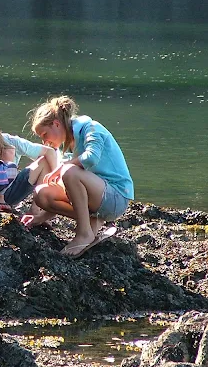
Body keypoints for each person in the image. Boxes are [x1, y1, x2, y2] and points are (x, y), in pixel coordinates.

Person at [23, 96, 134, 258]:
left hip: (116, 197)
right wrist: (40, 217)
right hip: (96, 196)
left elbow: (91, 158)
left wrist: (62, 168)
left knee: (69, 172)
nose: (45, 142)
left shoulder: (91, 128)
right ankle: (91, 223)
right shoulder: (67, 145)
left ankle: (84, 233)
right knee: (42, 193)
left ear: (56, 124)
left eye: (45, 134)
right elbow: (69, 189)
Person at [0, 122, 57, 210]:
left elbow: (50, 152)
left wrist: (55, 178)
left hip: (9, 191)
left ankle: (35, 209)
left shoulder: (12, 143)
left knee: (44, 161)